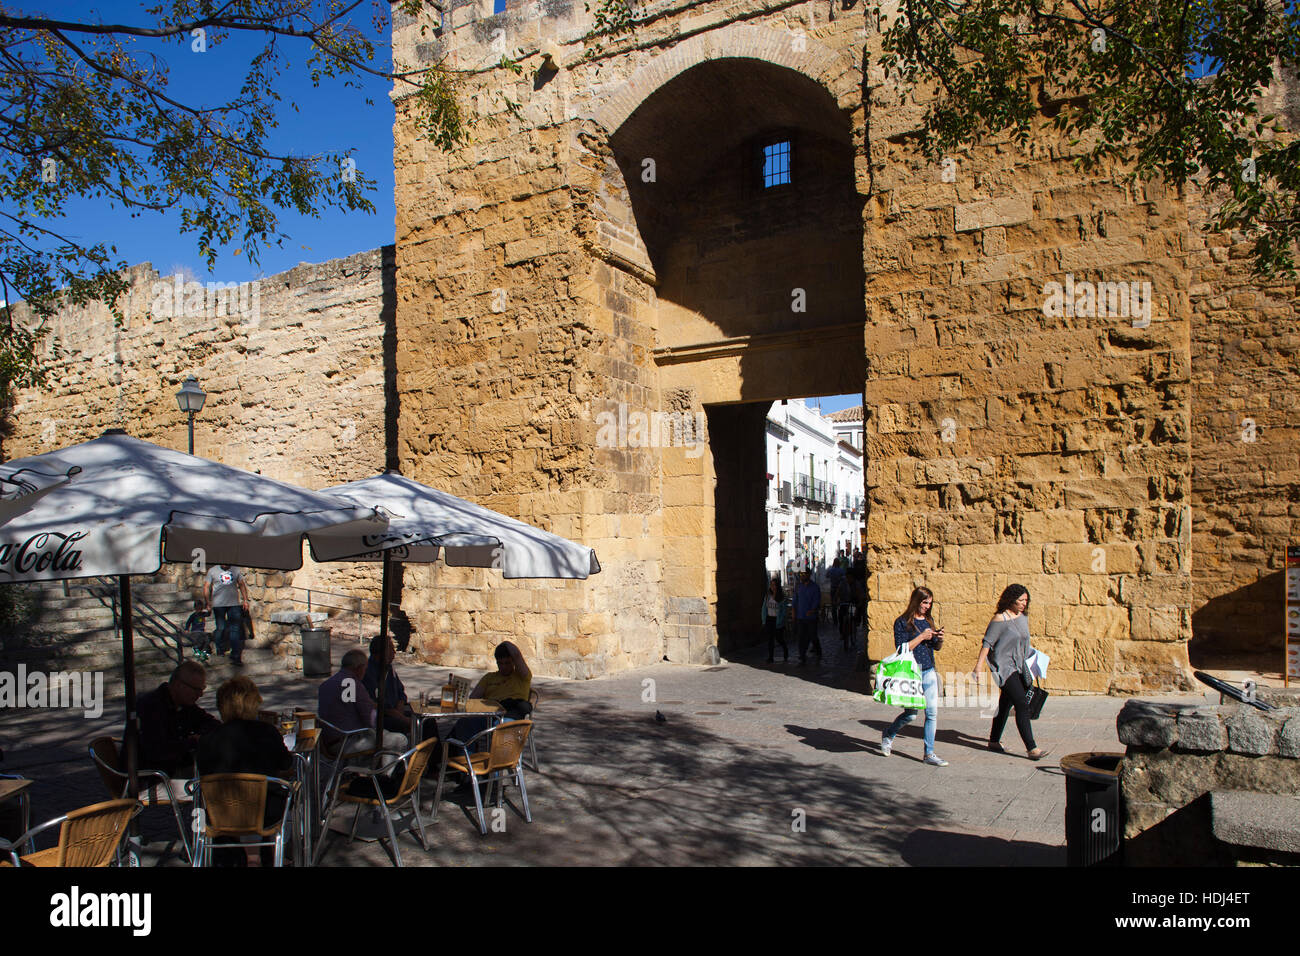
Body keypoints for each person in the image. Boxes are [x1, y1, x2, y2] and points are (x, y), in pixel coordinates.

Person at [196, 676, 294, 866]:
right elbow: (285, 763)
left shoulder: (208, 739)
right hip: (265, 812)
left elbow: (204, 770)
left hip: (220, 813)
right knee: (287, 791)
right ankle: (279, 853)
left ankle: (249, 855)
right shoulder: (266, 732)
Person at [973, 584, 1046, 760]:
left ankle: (993, 741)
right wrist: (978, 666)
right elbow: (987, 643)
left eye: (1026, 600)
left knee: (1005, 703)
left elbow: (1023, 641)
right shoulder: (1000, 619)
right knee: (1021, 703)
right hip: (1004, 668)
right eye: (1020, 600)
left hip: (1020, 666)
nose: (1024, 603)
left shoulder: (1022, 617)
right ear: (1011, 600)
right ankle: (1032, 748)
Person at [880, 587, 947, 766]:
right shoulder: (902, 622)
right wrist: (921, 637)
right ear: (916, 601)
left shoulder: (929, 620)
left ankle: (929, 753)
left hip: (928, 670)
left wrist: (938, 638)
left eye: (930, 603)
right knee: (911, 715)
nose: (927, 606)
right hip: (911, 673)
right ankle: (889, 734)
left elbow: (935, 647)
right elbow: (900, 648)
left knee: (932, 712)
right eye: (925, 602)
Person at [136, 660, 221, 781]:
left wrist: (201, 736)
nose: (200, 694)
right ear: (178, 685)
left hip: (174, 774)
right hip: (152, 779)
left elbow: (212, 724)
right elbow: (158, 751)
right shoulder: (152, 706)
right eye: (196, 689)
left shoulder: (184, 704)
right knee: (211, 788)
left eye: (202, 689)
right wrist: (192, 742)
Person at [317, 649, 407, 757]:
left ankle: (378, 769)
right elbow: (369, 719)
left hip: (329, 739)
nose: (365, 671)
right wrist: (380, 710)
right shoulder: (352, 684)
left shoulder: (326, 684)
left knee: (387, 735)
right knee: (400, 739)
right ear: (359, 668)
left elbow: (347, 708)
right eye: (365, 668)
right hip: (347, 741)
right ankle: (385, 773)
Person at [363, 633, 438, 743]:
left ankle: (432, 757)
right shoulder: (369, 672)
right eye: (391, 649)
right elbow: (377, 704)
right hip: (381, 718)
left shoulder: (389, 668)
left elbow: (400, 691)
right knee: (412, 724)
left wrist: (400, 706)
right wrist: (401, 717)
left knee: (428, 720)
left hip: (396, 712)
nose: (394, 652)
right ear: (381, 652)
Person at [204, 564, 250, 665]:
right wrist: (208, 602)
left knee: (235, 629)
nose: (224, 565)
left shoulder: (235, 569)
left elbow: (241, 584)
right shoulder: (212, 571)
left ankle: (236, 656)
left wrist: (245, 600)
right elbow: (207, 586)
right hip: (218, 605)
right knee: (221, 627)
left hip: (234, 604)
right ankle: (220, 649)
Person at [793, 570, 822, 665]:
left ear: (809, 575)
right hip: (801, 616)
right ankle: (802, 655)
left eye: (804, 574)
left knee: (812, 636)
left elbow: (816, 600)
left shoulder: (815, 587)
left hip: (811, 617)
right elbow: (795, 600)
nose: (802, 576)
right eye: (801, 574)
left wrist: (813, 610)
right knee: (801, 637)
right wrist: (794, 611)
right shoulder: (798, 587)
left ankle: (818, 651)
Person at [761, 576, 788, 663]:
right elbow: (764, 608)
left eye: (774, 585)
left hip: (778, 620)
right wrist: (763, 619)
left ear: (778, 586)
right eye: (771, 585)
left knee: (779, 639)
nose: (772, 587)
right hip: (769, 619)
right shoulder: (767, 596)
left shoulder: (782, 597)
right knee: (770, 639)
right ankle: (770, 657)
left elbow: (784, 611)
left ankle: (785, 649)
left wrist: (781, 621)